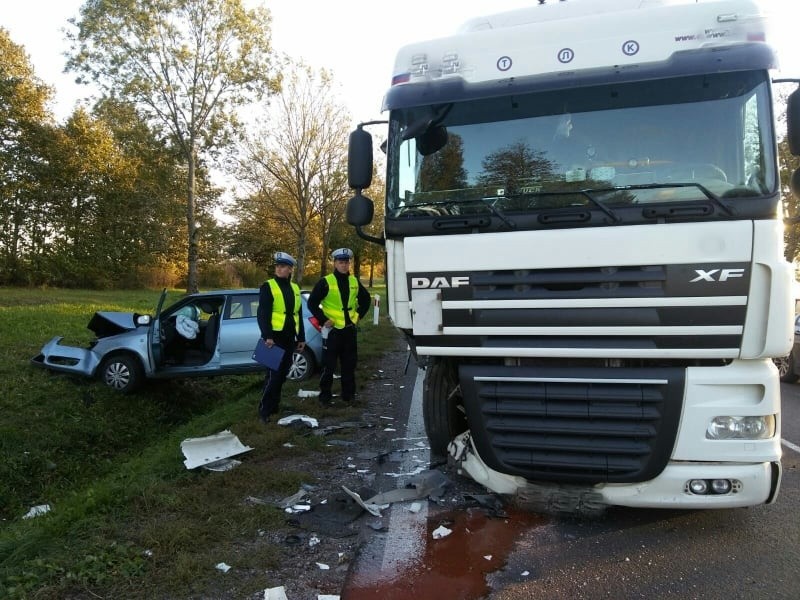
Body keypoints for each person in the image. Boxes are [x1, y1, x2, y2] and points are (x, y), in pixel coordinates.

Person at [307, 248, 371, 405]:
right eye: (341, 262)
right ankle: (325, 397)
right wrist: (323, 320)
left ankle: (348, 396)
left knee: (349, 365)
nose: (344, 265)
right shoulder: (326, 282)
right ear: (334, 263)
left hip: (349, 330)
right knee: (328, 367)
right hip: (332, 332)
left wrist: (357, 317)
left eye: (347, 262)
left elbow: (366, 300)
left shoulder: (354, 281)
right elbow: (312, 303)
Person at [256, 251, 306, 423]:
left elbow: (298, 314)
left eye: (283, 266)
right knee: (273, 375)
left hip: (290, 337)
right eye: (277, 266)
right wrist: (267, 335)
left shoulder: (294, 288)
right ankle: (264, 411)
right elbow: (262, 313)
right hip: (274, 338)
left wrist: (301, 338)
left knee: (283, 373)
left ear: (290, 269)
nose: (279, 269)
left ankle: (274, 406)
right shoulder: (268, 286)